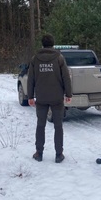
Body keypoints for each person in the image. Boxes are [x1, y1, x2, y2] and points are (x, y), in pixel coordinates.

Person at [27, 34, 72, 163]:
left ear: (42, 44)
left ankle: (39, 153)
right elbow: (66, 77)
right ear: (53, 44)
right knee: (58, 126)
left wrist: (30, 96)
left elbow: (31, 79)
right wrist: (68, 94)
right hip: (57, 98)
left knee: (40, 125)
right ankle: (59, 154)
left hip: (41, 97)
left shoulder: (35, 59)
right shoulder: (59, 58)